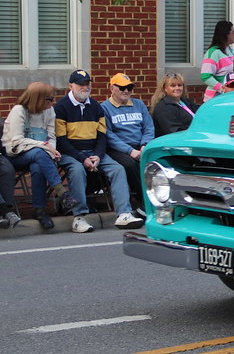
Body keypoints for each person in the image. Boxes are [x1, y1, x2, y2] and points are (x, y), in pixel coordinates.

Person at [54, 70, 144, 232]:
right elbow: (61, 141)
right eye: (80, 84)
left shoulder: (96, 106)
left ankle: (124, 214)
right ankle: (79, 218)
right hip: (70, 153)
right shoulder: (61, 107)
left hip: (93, 152)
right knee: (77, 170)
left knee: (117, 169)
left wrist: (98, 155)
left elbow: (102, 137)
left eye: (87, 84)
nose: (84, 87)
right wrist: (82, 158)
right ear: (71, 86)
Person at [2, 82, 75, 230]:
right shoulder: (19, 111)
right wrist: (45, 146)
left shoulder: (49, 111)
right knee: (39, 153)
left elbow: (51, 136)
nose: (53, 102)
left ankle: (39, 210)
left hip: (39, 156)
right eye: (50, 99)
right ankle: (62, 193)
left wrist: (51, 152)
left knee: (38, 165)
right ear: (38, 99)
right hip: (15, 155)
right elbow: (17, 140)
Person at [101, 73, 154, 211]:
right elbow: (109, 135)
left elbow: (148, 127)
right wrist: (129, 151)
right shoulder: (105, 107)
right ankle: (145, 203)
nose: (126, 91)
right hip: (118, 149)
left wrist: (145, 145)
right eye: (122, 87)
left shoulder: (139, 104)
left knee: (156, 162)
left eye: (129, 88)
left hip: (140, 145)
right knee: (130, 164)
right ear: (112, 88)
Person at [150, 72, 199, 137]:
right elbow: (174, 130)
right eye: (173, 86)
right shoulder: (163, 107)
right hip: (177, 140)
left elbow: (200, 115)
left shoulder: (186, 102)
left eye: (179, 85)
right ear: (165, 88)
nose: (177, 88)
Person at [201, 20, 234, 101]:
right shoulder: (213, 52)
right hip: (215, 99)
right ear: (226, 34)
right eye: (233, 32)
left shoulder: (232, 51)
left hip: (231, 97)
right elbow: (205, 76)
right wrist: (223, 88)